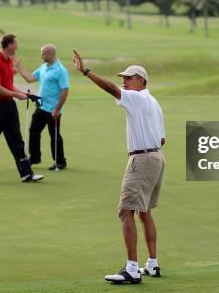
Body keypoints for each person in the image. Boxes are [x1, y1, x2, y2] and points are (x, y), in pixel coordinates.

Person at [72, 50, 165, 284]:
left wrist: (86, 71)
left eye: (129, 77)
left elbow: (112, 90)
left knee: (125, 211)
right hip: (157, 158)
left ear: (141, 81)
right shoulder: (154, 102)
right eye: (123, 77)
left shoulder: (138, 97)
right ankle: (152, 265)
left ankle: (132, 269)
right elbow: (162, 139)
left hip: (142, 159)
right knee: (145, 212)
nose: (124, 80)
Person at [0, 34, 44, 184]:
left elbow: (8, 85)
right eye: (15, 44)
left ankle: (26, 174)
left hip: (8, 106)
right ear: (8, 45)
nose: (17, 47)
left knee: (17, 140)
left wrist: (24, 93)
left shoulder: (8, 62)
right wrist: (16, 95)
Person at [15, 44, 69, 170]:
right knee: (33, 130)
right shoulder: (44, 67)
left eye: (43, 53)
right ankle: (34, 157)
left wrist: (57, 109)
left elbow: (65, 90)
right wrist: (19, 67)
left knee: (54, 135)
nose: (41, 56)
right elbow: (30, 78)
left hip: (53, 109)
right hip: (41, 106)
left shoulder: (60, 70)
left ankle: (60, 161)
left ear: (50, 54)